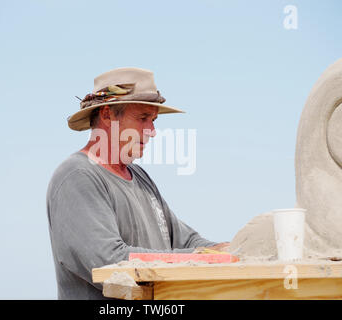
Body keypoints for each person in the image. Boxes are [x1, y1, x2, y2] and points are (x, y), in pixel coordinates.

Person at [46, 67, 229, 299]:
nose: (152, 131)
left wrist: (231, 250)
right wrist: (201, 257)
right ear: (107, 115)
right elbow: (110, 262)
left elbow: (185, 240)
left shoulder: (140, 177)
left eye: (153, 120)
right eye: (143, 118)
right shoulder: (77, 176)